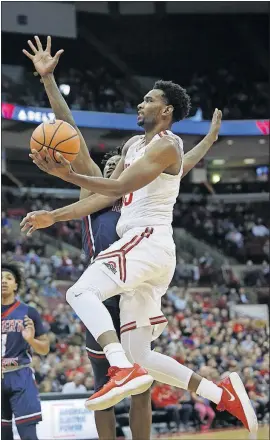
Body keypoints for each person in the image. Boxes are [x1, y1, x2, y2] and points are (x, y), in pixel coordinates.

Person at [21, 36, 257, 434]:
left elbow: (117, 188)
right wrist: (53, 215)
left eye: (147, 100)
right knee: (141, 360)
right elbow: (97, 188)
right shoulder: (133, 147)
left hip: (144, 244)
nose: (139, 104)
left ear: (164, 111)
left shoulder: (167, 147)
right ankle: (221, 395)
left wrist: (63, 174)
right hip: (138, 263)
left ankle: (121, 365)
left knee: (79, 293)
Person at [1, 262, 50, 440]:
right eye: (0, 279)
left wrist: (31, 340)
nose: (3, 281)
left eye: (8, 278)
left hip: (20, 376)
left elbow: (45, 349)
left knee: (28, 435)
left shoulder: (29, 312)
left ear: (16, 285)